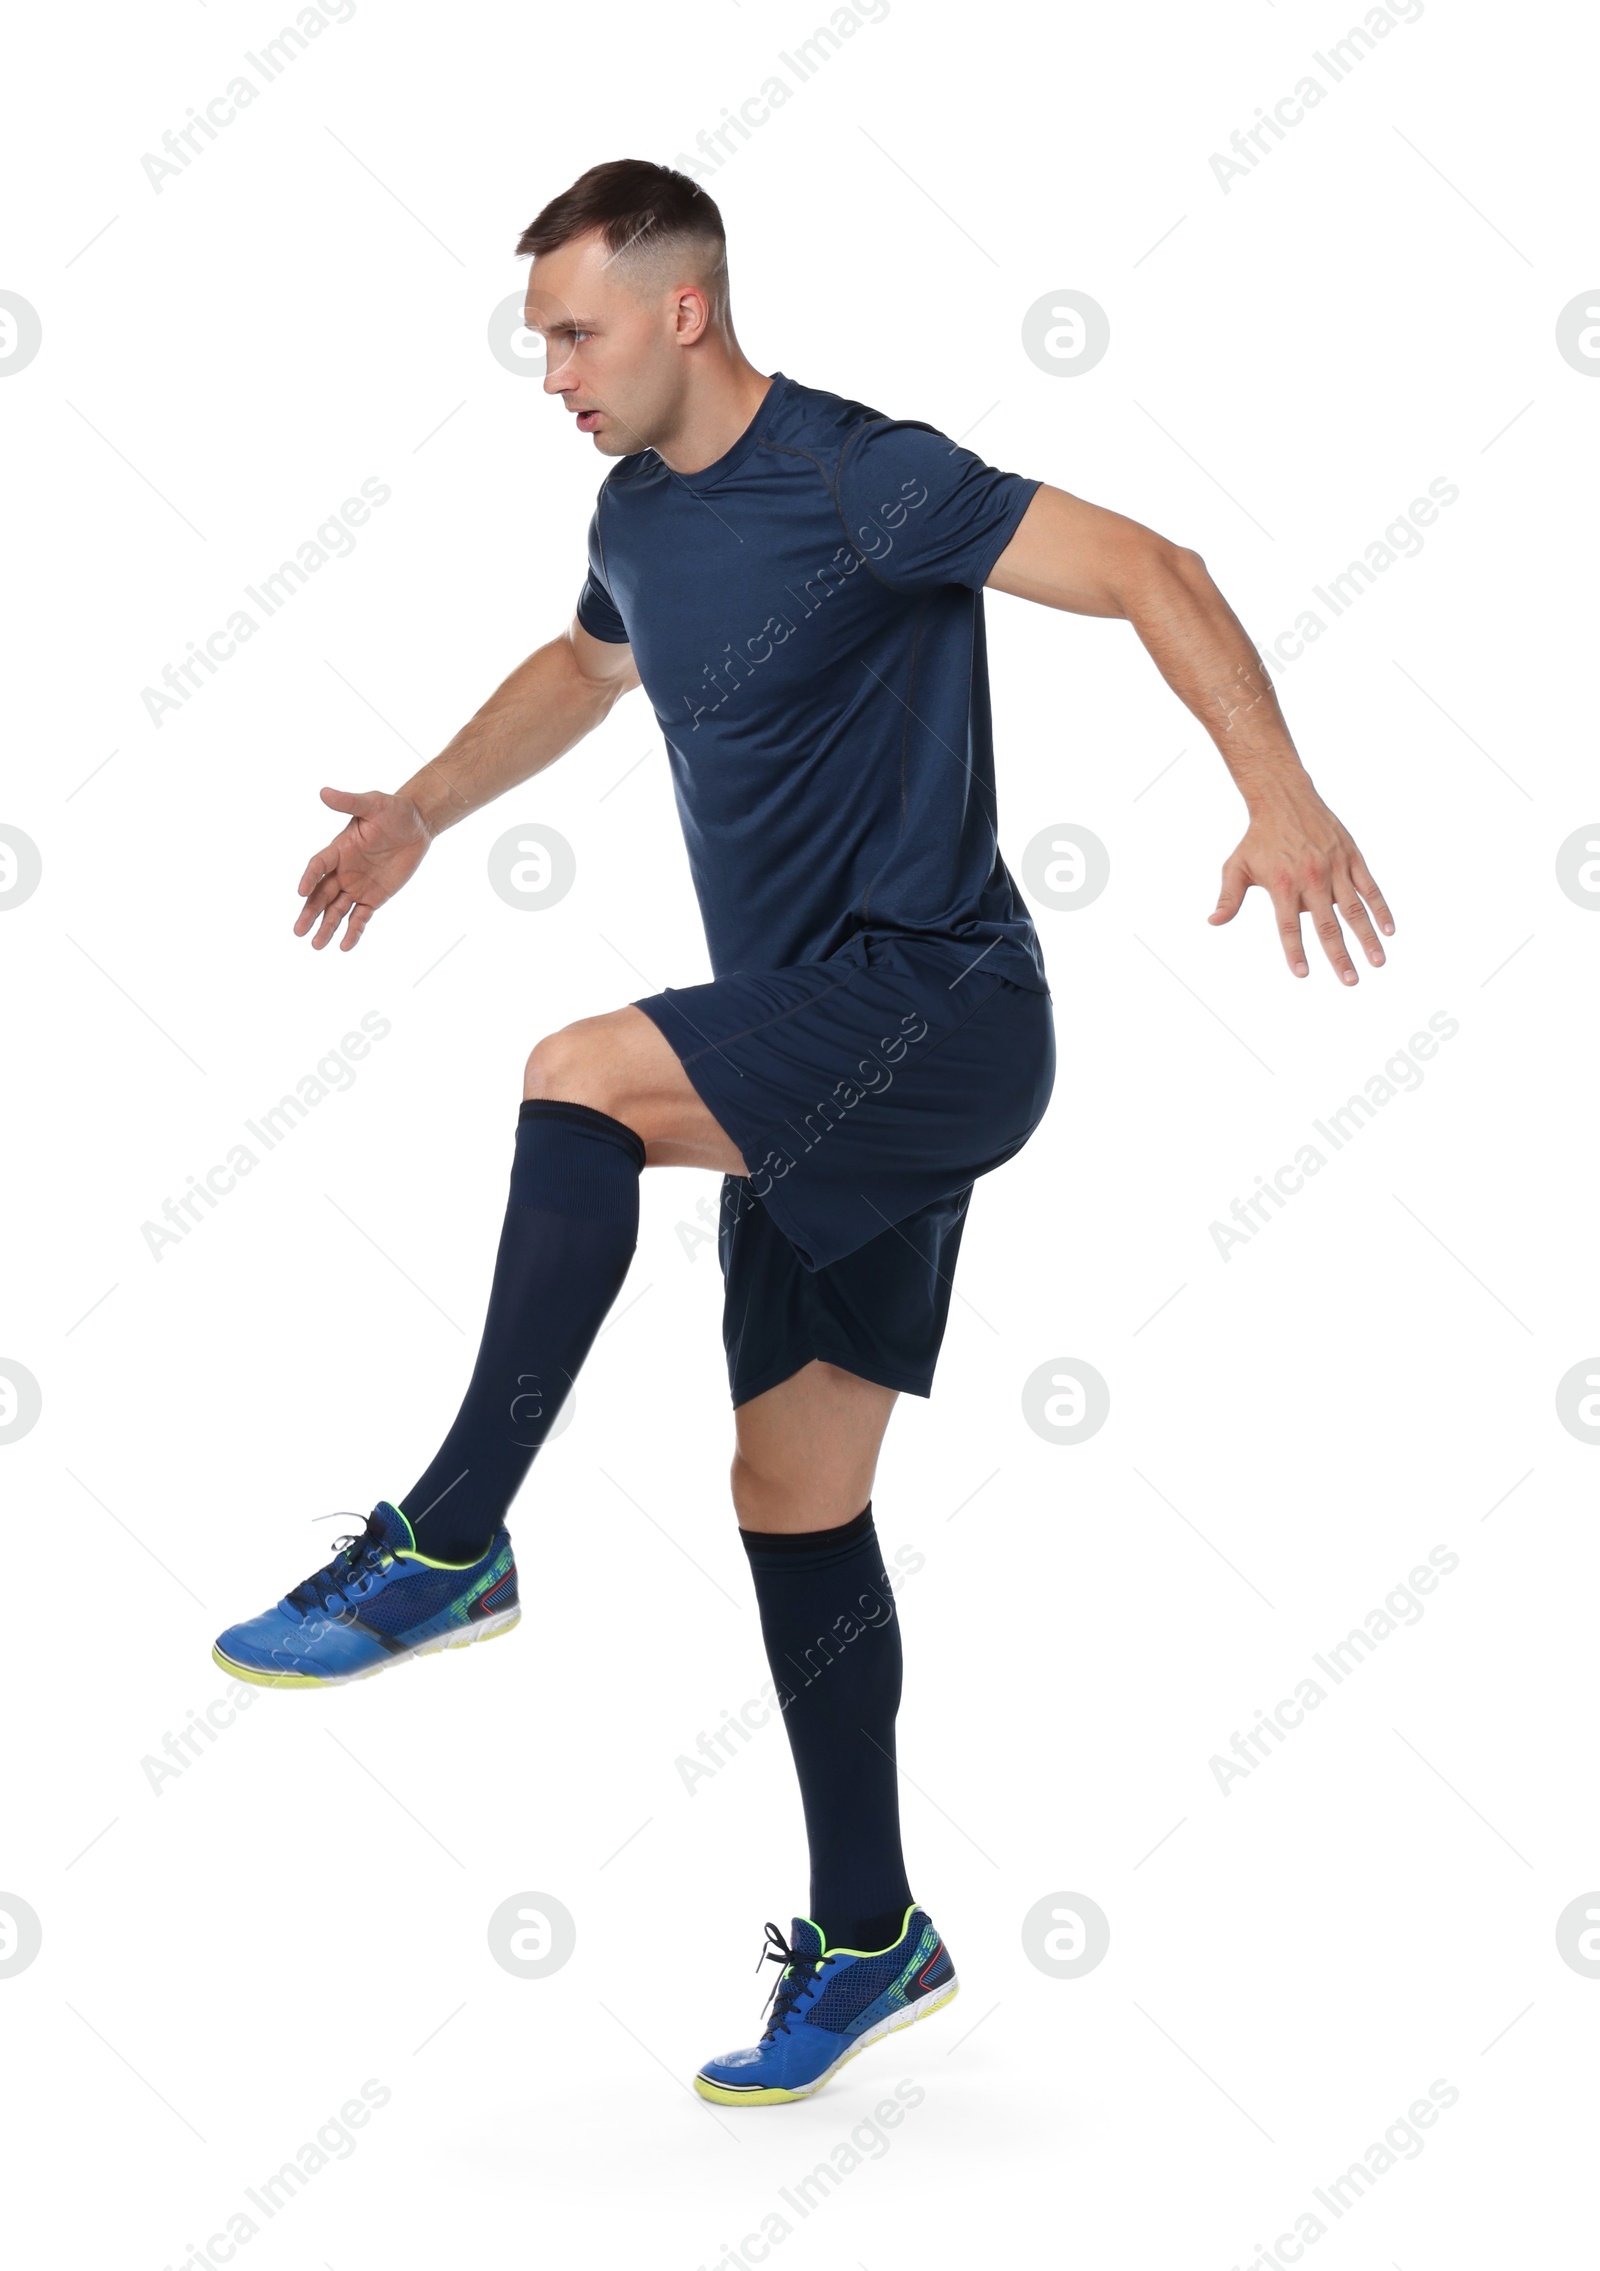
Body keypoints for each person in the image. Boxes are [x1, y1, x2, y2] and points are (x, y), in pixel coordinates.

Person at [213, 159, 1393, 2106]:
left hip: (937, 1005)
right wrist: (420, 806)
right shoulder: (630, 514)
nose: (551, 372)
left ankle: (447, 1537)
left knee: (578, 1065)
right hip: (807, 1055)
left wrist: (1277, 794)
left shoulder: (867, 474)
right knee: (789, 1486)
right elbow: (587, 666)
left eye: (574, 332)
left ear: (682, 309)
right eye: (536, 341)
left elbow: (1151, 570)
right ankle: (871, 1935)